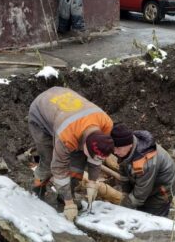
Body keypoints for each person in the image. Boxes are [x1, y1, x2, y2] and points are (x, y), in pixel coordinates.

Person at [28, 86, 114, 221]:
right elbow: (58, 168)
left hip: (69, 114)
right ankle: (37, 190)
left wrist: (93, 182)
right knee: (49, 160)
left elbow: (96, 157)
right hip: (41, 114)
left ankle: (64, 195)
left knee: (78, 164)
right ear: (84, 144)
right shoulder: (67, 136)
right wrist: (69, 204)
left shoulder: (106, 124)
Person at [110, 123, 175, 216]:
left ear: (129, 144)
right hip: (146, 183)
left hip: (162, 190)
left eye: (118, 148)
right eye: (114, 147)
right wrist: (126, 192)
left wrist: (123, 208)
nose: (114, 151)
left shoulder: (146, 162)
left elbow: (139, 195)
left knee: (152, 219)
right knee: (136, 207)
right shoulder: (125, 150)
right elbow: (124, 170)